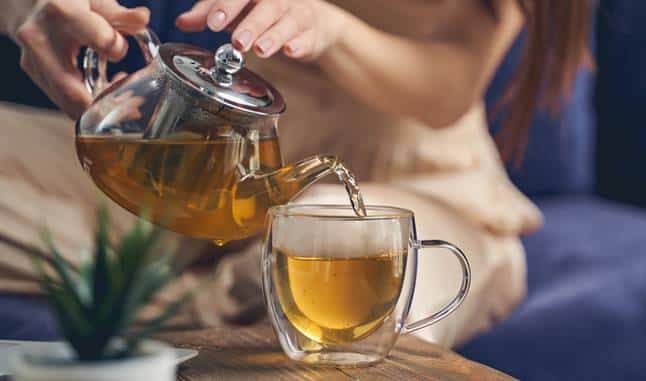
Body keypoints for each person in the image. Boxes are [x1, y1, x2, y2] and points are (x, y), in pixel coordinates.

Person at [0, 0, 591, 347]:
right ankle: (203, 296)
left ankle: (175, 296)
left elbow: (447, 89)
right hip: (200, 155)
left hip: (418, 178)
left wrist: (331, 29)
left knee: (349, 271)